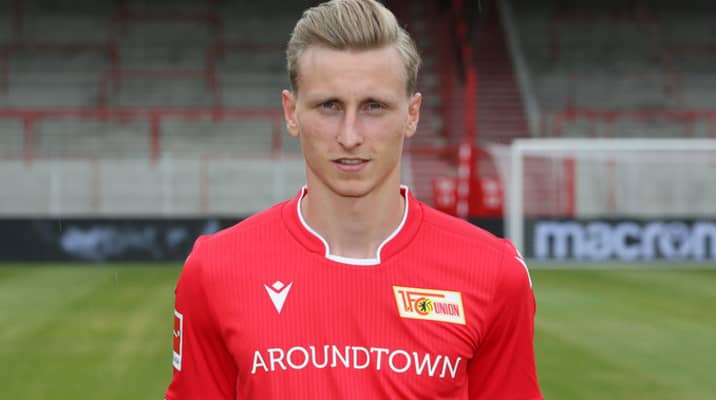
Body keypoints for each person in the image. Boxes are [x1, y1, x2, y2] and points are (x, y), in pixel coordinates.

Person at [165, 0, 542, 398]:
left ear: (412, 114)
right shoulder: (216, 270)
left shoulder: (493, 274)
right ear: (291, 112)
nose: (350, 136)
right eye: (329, 106)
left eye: (374, 107)